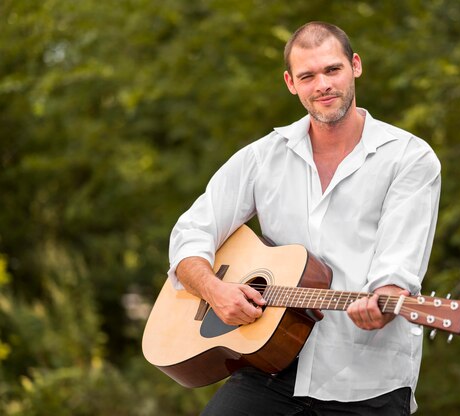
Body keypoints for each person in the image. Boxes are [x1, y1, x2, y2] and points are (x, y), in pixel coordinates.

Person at [167, 21, 441, 415]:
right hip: (269, 363)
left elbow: (397, 267)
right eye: (307, 76)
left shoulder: (409, 158)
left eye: (332, 70)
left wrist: (386, 298)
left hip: (366, 379)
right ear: (291, 83)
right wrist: (214, 289)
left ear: (355, 66)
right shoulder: (263, 157)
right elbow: (191, 231)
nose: (322, 85)